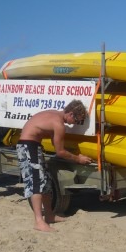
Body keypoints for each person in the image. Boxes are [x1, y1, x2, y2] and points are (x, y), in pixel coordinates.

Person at [16, 99, 92, 232]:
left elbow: (55, 142)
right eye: (77, 120)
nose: (75, 124)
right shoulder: (59, 124)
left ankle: (49, 215)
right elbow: (60, 152)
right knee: (36, 183)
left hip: (33, 146)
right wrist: (78, 159)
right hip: (28, 146)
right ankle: (38, 222)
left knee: (46, 182)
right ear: (71, 114)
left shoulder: (54, 114)